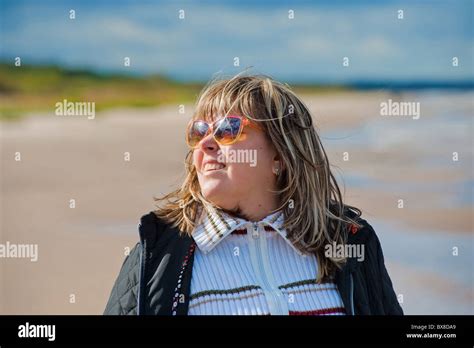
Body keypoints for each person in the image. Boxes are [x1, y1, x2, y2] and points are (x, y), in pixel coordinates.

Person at [104, 73, 403, 315]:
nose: (206, 143)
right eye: (199, 131)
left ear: (281, 156)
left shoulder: (348, 243)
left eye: (228, 129)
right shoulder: (158, 256)